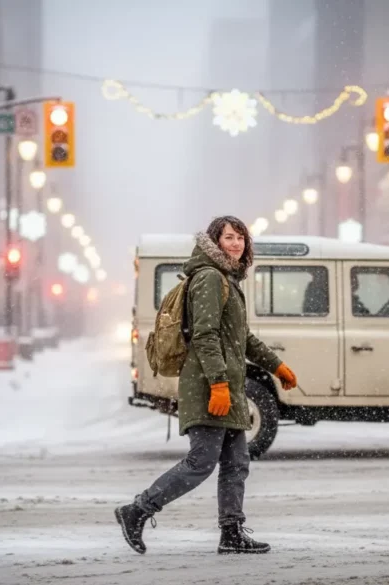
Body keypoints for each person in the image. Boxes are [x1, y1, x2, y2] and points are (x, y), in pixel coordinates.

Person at [115, 216, 298, 555]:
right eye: (229, 237)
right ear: (215, 241)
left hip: (227, 383)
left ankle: (231, 533)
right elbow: (204, 335)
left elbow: (241, 338)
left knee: (236, 462)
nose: (237, 243)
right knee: (201, 461)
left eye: (241, 237)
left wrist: (276, 366)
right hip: (208, 385)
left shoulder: (226, 278)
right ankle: (137, 510)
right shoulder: (211, 278)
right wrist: (217, 384)